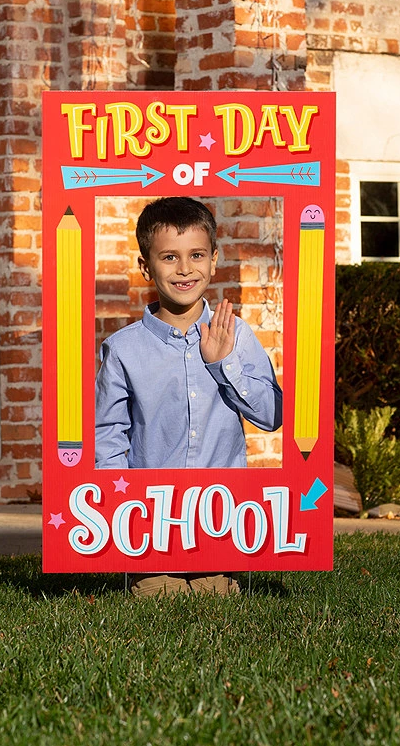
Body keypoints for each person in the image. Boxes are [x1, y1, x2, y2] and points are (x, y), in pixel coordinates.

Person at [94, 196, 283, 598]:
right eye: (169, 257)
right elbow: (108, 434)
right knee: (159, 598)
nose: (185, 269)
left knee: (215, 597)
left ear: (214, 260)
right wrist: (115, 512)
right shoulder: (122, 350)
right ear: (146, 267)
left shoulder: (237, 336)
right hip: (149, 521)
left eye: (196, 254)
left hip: (221, 518)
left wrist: (223, 363)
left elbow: (272, 415)